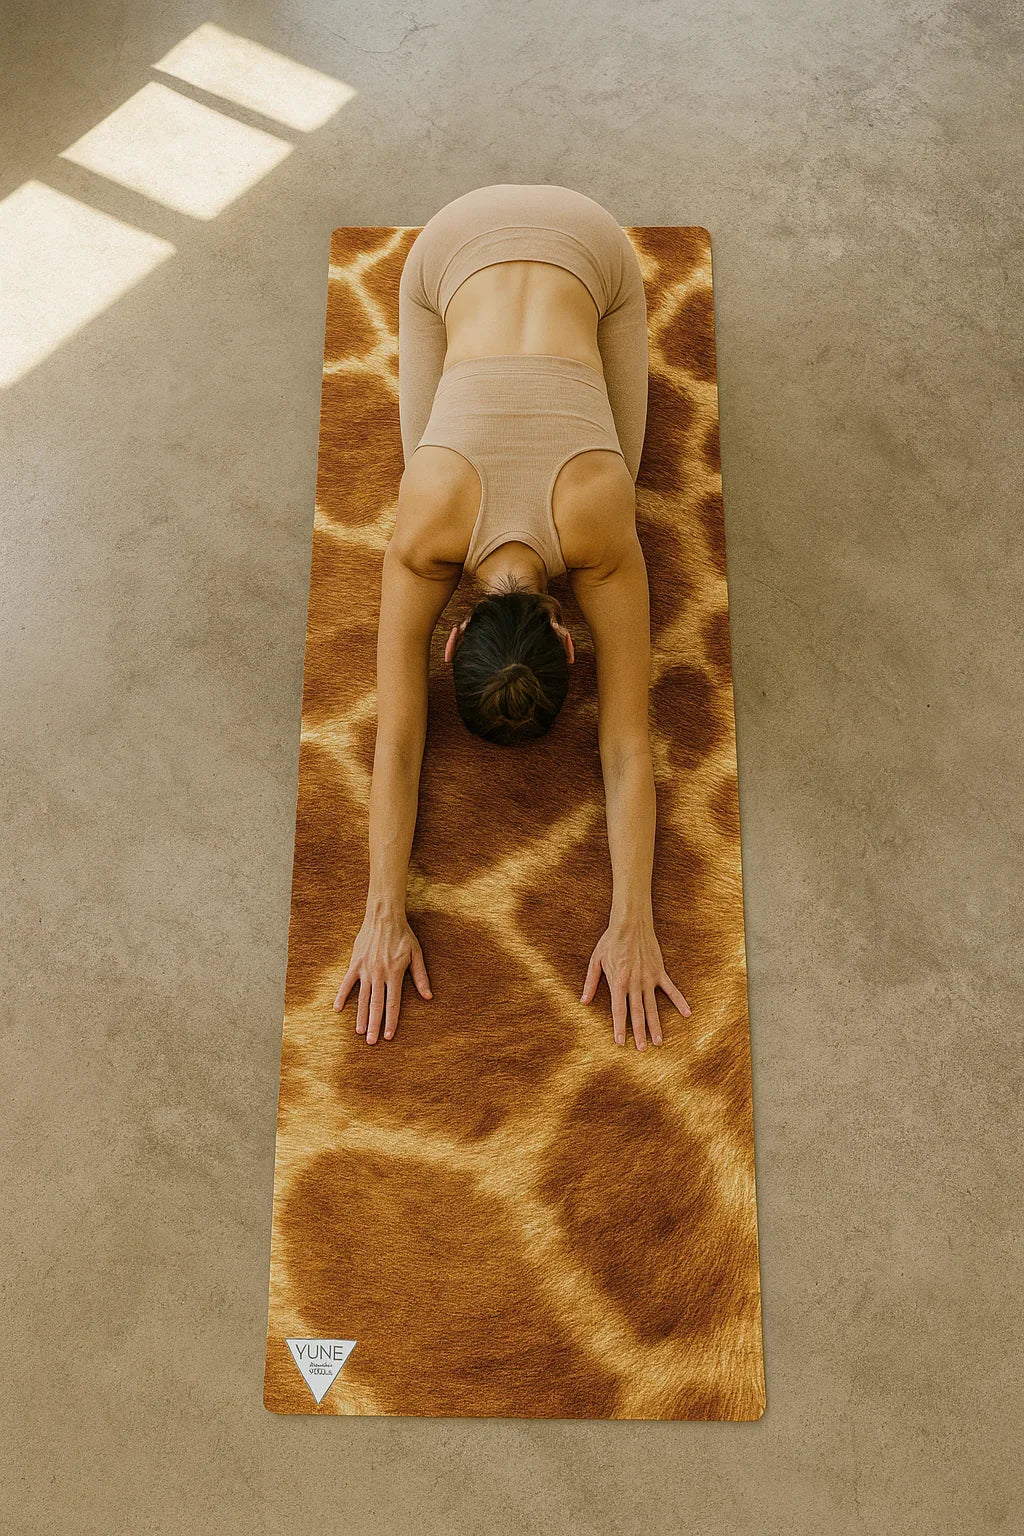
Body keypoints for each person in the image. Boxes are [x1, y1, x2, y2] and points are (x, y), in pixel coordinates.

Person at [334, 184, 691, 1051]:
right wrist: (629, 917)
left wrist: (387, 912)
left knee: (620, 462)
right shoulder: (424, 533)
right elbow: (401, 741)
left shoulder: (601, 531)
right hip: (452, 243)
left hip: (592, 243)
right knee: (436, 453)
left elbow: (626, 743)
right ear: (456, 637)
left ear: (567, 640)